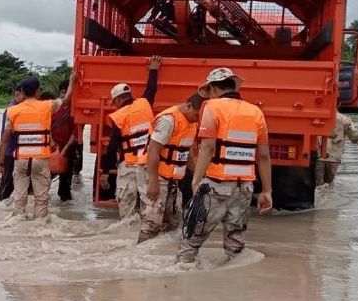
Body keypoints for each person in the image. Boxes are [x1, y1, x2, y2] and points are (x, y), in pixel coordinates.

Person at [177, 67, 272, 266]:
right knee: (236, 245)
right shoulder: (256, 112)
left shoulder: (212, 107)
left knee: (191, 239)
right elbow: (263, 156)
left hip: (215, 187)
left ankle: (180, 283)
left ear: (212, 89)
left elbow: (207, 148)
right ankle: (232, 287)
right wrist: (267, 191)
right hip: (244, 189)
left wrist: (195, 181)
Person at [0, 70, 80, 220]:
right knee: (41, 200)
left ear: (21, 91)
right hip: (40, 160)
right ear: (37, 91)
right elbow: (66, 101)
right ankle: (39, 228)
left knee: (19, 199)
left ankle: (17, 226)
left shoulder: (12, 111)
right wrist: (72, 82)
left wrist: (0, 163)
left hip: (21, 160)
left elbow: (4, 140)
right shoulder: (47, 106)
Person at [98, 56, 163, 220]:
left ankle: (126, 238)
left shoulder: (119, 115)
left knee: (126, 209)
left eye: (115, 102)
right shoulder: (145, 103)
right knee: (149, 205)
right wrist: (154, 69)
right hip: (149, 164)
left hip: (129, 166)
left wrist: (105, 172)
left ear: (118, 99)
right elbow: (151, 88)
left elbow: (113, 145)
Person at [139, 93, 204, 243]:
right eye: (196, 114)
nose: (198, 119)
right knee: (152, 223)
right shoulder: (168, 120)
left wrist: (199, 176)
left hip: (172, 179)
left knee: (175, 222)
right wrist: (153, 182)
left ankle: (160, 254)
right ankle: (139, 256)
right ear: (188, 105)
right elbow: (153, 151)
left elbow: (186, 152)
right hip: (155, 175)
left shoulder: (191, 122)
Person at [317, 112, 358, 185]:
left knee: (317, 186)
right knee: (329, 185)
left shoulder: (316, 116)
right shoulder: (344, 119)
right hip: (334, 158)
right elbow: (355, 135)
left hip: (317, 157)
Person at [50, 78, 79, 202]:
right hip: (52, 149)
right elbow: (47, 127)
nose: (63, 95)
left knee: (65, 184)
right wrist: (52, 143)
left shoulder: (77, 110)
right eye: (62, 92)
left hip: (68, 150)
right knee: (44, 179)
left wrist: (65, 150)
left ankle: (65, 207)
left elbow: (76, 133)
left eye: (66, 92)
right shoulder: (54, 108)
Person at [0, 86, 21, 202]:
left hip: (12, 151)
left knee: (9, 183)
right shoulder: (13, 109)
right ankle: (0, 206)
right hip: (10, 152)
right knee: (7, 185)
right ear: (18, 94)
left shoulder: (13, 108)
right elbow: (5, 138)